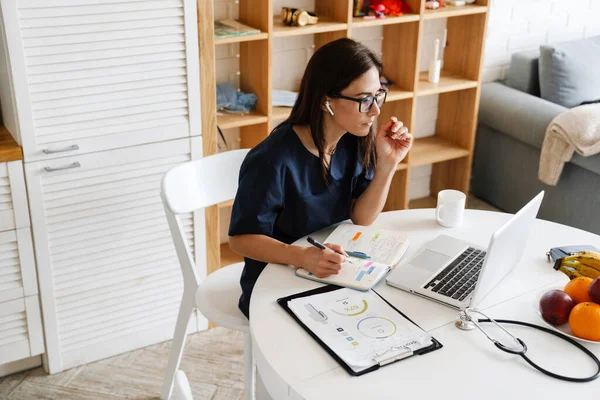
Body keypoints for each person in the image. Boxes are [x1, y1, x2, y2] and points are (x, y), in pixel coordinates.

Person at [228, 38, 413, 319]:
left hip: (330, 270)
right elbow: (241, 239)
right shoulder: (272, 160)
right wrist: (301, 257)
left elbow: (362, 217)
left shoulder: (354, 139)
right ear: (327, 101)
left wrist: (388, 164)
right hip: (276, 281)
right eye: (364, 100)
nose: (375, 111)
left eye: (378, 95)